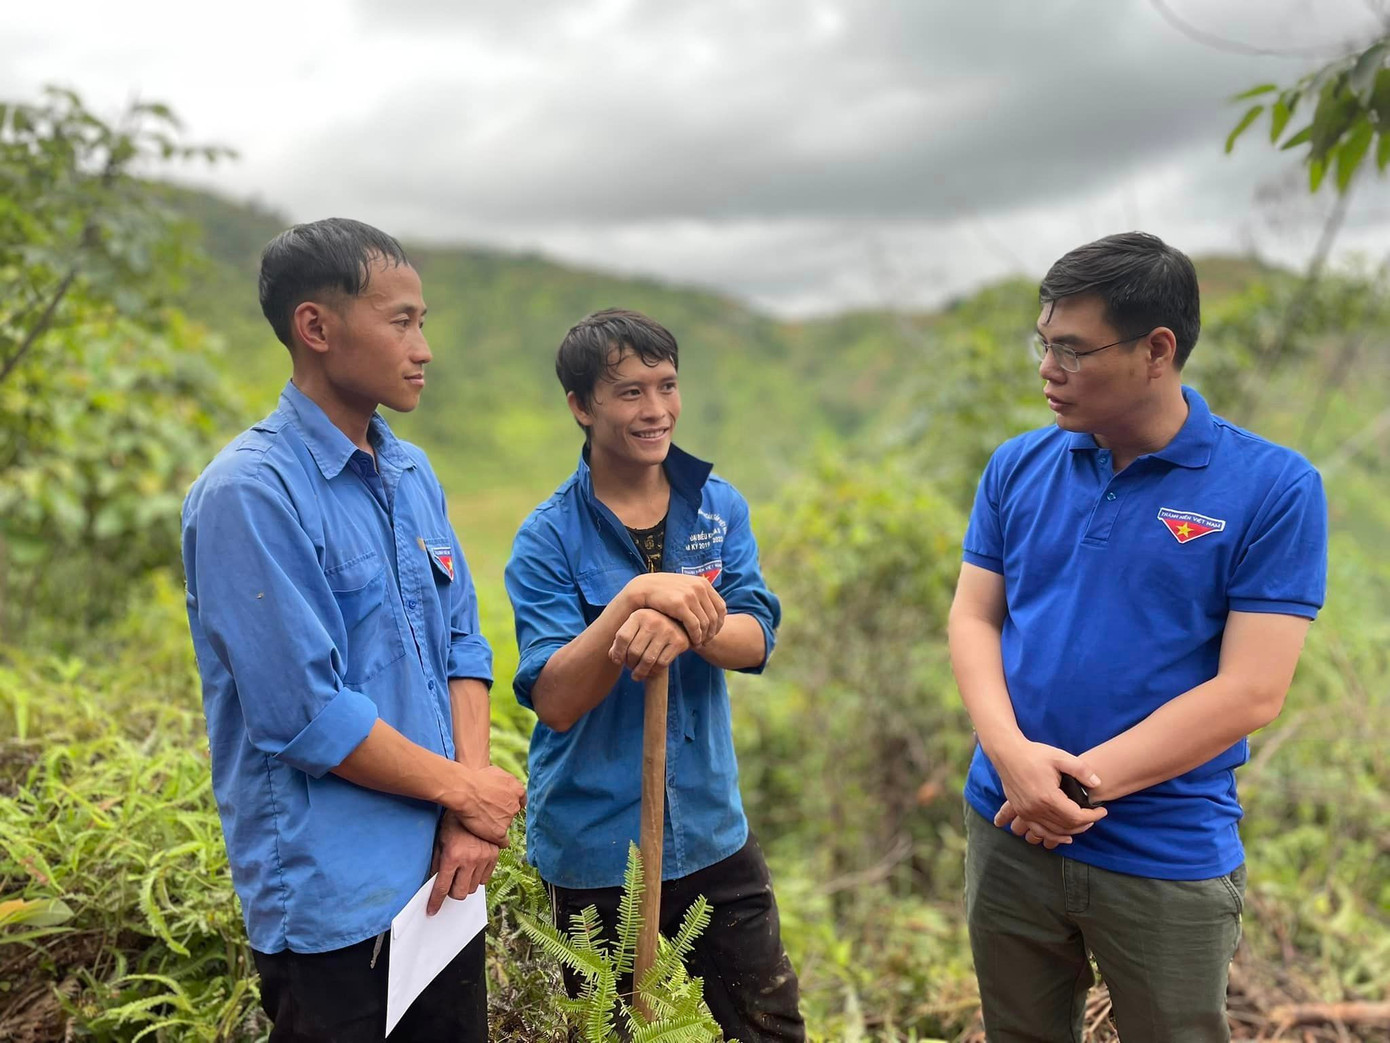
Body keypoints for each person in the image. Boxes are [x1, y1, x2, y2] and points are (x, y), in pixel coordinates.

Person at [948, 232, 1328, 1043]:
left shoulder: (1272, 487)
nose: (1047, 369)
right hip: (1009, 827)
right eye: (1044, 344)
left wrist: (1074, 791)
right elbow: (975, 616)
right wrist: (1014, 761)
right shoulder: (1019, 465)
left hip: (1163, 847)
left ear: (1158, 350)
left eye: (1073, 351)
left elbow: (1251, 690)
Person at [181, 218, 525, 1042]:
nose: (423, 346)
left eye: (423, 321)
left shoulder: (411, 473)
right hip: (338, 906)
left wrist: (470, 811)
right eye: (400, 319)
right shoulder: (250, 494)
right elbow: (305, 715)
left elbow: (463, 647)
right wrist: (465, 789)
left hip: (443, 878)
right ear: (317, 327)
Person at [504, 309, 805, 1041]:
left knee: (771, 1024)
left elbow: (754, 634)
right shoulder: (547, 538)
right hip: (592, 840)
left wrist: (681, 618)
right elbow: (556, 698)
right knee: (604, 1031)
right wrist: (635, 599)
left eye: (666, 386)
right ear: (581, 407)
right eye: (630, 392)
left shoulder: (716, 505)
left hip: (708, 826)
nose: (657, 409)